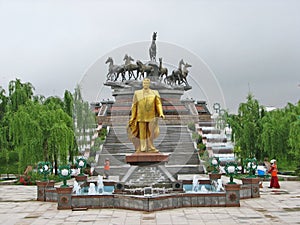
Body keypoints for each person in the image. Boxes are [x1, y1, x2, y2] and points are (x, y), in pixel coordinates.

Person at [128, 78, 165, 153]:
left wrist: (161, 113)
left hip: (151, 116)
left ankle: (151, 146)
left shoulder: (155, 93)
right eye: (144, 83)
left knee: (151, 132)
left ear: (149, 84)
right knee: (142, 132)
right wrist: (133, 117)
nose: (145, 85)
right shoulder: (137, 93)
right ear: (142, 84)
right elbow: (134, 105)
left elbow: (158, 103)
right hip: (140, 116)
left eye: (147, 83)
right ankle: (143, 147)